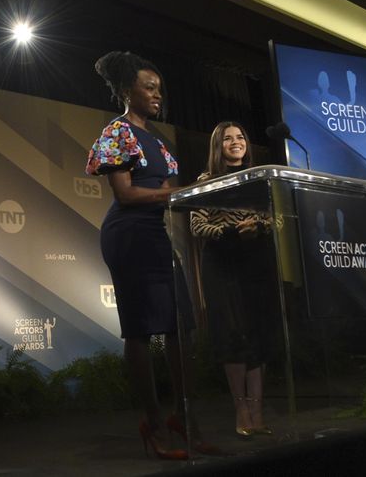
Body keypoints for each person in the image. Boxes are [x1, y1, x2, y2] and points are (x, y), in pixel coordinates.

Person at [86, 51, 206, 460]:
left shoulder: (159, 140)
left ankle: (185, 420)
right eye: (148, 88)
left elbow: (170, 196)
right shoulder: (117, 133)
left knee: (179, 327)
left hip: (155, 235)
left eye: (159, 89)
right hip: (127, 235)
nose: (157, 95)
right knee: (139, 330)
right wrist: (177, 191)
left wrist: (202, 191)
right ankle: (153, 425)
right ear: (126, 91)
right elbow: (126, 194)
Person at [190, 121, 275, 439]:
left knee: (258, 336)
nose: (236, 142)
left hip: (256, 262)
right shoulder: (207, 181)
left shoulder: (259, 178)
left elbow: (276, 216)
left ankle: (257, 410)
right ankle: (240, 409)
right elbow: (198, 225)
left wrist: (262, 227)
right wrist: (228, 231)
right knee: (232, 336)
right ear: (218, 146)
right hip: (222, 264)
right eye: (228, 138)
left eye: (241, 136)